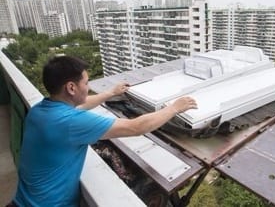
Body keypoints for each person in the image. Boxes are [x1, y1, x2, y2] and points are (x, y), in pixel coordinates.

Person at [10, 56, 197, 207]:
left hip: (22, 200)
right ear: (71, 87)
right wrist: (174, 108)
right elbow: (136, 127)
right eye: (86, 82)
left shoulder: (40, 110)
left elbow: (81, 105)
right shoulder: (70, 123)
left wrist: (111, 93)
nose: (88, 87)